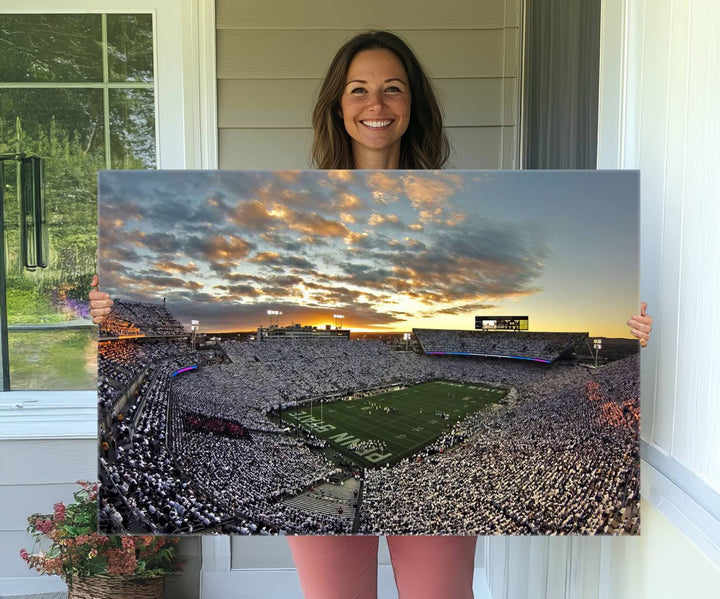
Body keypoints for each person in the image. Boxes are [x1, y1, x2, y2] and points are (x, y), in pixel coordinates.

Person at [89, 30, 653, 599]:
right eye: (358, 90)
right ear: (338, 104)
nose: (376, 105)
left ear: (413, 105)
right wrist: (108, 309)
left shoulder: (456, 200)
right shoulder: (296, 203)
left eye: (392, 89)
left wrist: (633, 332)